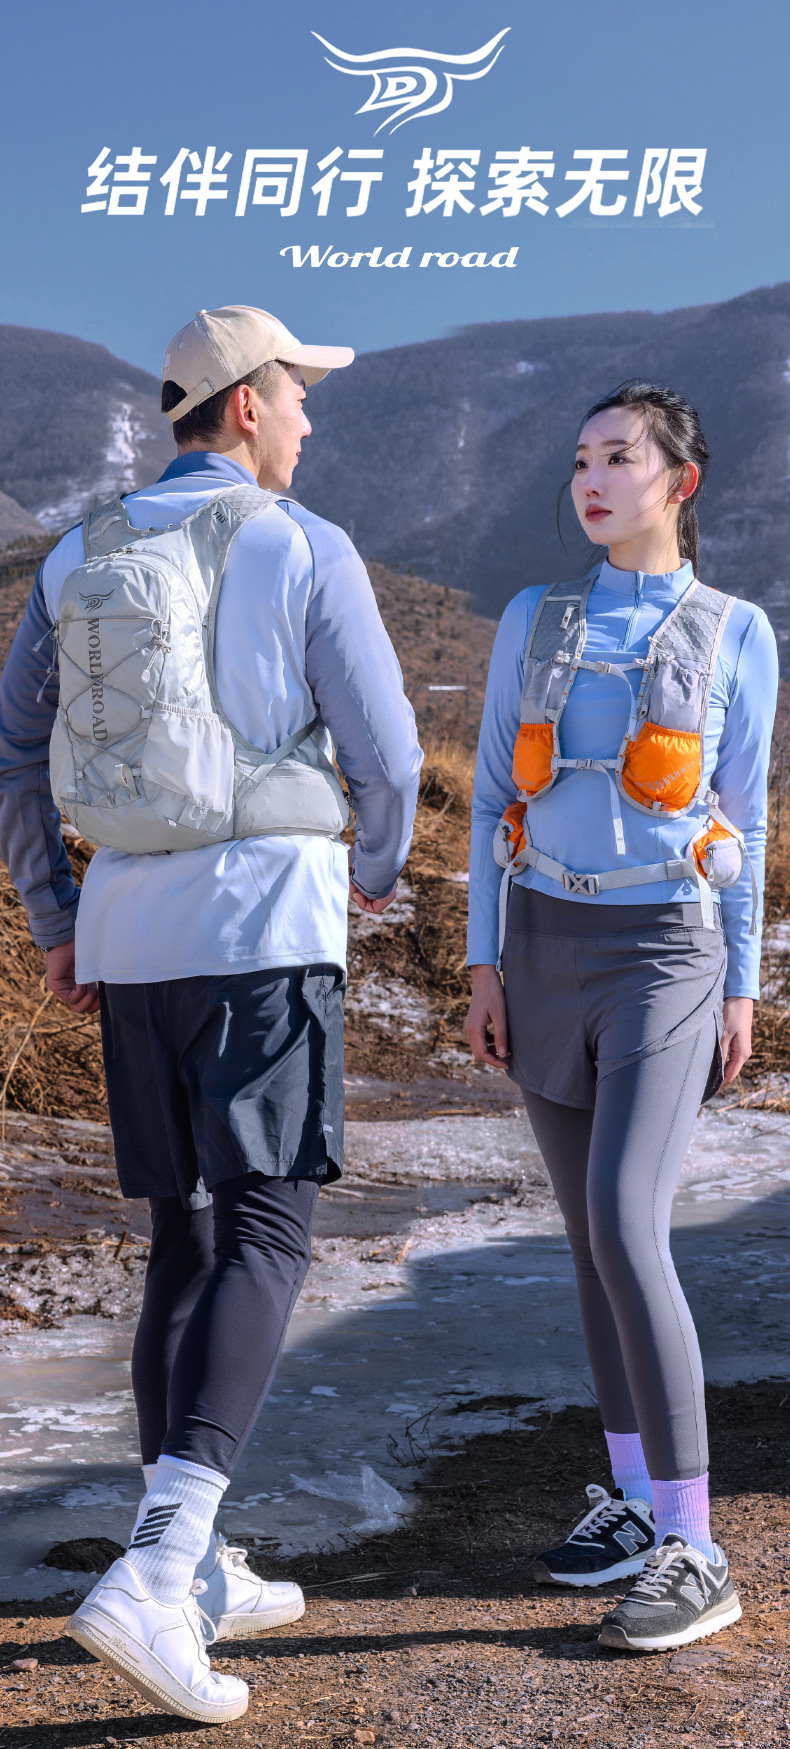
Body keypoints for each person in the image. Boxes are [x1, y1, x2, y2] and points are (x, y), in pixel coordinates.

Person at [0, 304, 422, 1721]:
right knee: (265, 1230)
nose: (308, 416)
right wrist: (373, 874)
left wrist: (58, 919)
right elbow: (388, 758)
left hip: (132, 937)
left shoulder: (75, 555)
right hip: (262, 931)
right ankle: (159, 1566)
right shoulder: (305, 545)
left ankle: (192, 1561)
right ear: (244, 404)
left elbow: (13, 751)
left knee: (182, 1235)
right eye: (298, 392)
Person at [465, 380, 777, 1653]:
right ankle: (637, 1505)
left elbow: (745, 820)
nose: (590, 479)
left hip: (666, 951)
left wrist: (743, 982)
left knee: (620, 1221)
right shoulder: (532, 618)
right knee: (588, 1243)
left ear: (677, 482)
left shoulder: (737, 630)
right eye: (581, 459)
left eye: (618, 457)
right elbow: (491, 797)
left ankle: (698, 1548)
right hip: (542, 946)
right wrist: (482, 963)